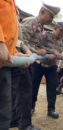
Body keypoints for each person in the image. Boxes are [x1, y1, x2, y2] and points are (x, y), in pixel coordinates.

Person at [30, 21, 63, 119]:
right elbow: (35, 46)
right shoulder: (45, 35)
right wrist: (52, 51)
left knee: (52, 88)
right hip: (38, 64)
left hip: (52, 66)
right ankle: (31, 107)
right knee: (34, 87)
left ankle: (51, 109)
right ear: (55, 28)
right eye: (61, 30)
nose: (62, 33)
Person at [20, 3, 60, 119]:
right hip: (23, 61)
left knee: (41, 88)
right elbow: (21, 42)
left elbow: (36, 45)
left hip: (30, 61)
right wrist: (37, 51)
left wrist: (49, 51)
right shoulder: (31, 22)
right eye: (50, 16)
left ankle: (48, 110)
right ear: (42, 12)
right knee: (28, 89)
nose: (51, 20)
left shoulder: (41, 27)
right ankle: (25, 114)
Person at [0, 0, 19, 129]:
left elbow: (10, 32)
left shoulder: (13, 4)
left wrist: (15, 52)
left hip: (4, 63)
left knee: (5, 107)